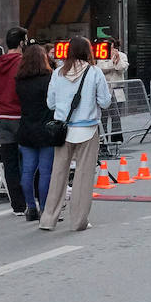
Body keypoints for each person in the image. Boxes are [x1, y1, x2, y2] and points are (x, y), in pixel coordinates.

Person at [39, 37, 112, 232]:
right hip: (87, 129)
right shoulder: (95, 73)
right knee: (83, 175)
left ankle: (48, 218)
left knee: (58, 174)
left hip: (63, 130)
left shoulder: (57, 73)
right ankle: (79, 221)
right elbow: (105, 102)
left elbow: (50, 104)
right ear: (88, 51)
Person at [0, 27, 28, 215]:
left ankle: (17, 206)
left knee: (10, 163)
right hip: (19, 115)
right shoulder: (22, 62)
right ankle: (31, 198)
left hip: (2, 116)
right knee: (28, 160)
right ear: (21, 43)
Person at [15, 44, 56, 221]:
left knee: (27, 171)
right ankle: (45, 208)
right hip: (46, 129)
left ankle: (30, 207)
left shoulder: (20, 80)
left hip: (26, 129)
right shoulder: (49, 78)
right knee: (45, 172)